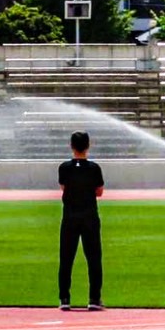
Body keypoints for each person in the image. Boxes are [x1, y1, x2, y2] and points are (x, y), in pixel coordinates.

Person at [57, 131, 104, 311]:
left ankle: (65, 298)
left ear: (71, 146)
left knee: (66, 258)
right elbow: (99, 192)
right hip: (89, 216)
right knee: (93, 258)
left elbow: (64, 187)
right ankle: (94, 298)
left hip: (70, 216)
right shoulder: (94, 168)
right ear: (88, 146)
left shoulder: (64, 167)